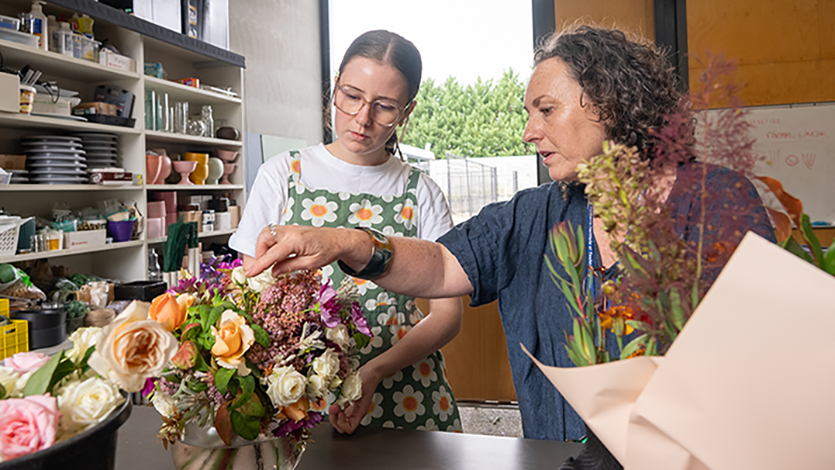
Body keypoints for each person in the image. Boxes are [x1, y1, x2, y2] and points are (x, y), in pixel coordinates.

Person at [245, 25, 776, 441]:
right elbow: (440, 266)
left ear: (610, 103)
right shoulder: (532, 216)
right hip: (556, 458)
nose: (529, 131)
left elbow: (758, 360)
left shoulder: (715, 204)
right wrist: (349, 242)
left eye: (546, 110)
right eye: (529, 113)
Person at [229, 30, 464, 434]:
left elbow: (448, 315)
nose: (362, 118)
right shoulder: (283, 175)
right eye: (351, 96)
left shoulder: (419, 190)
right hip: (299, 390)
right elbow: (254, 295)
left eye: (385, 106)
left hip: (405, 383)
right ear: (333, 87)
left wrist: (373, 372)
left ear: (406, 112)